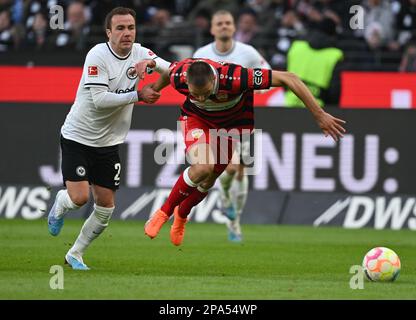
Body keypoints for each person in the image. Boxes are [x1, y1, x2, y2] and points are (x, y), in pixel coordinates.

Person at [137, 57, 346, 247]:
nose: (200, 98)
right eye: (195, 94)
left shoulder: (237, 77)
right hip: (197, 120)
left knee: (209, 179)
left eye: (205, 93)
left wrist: (319, 115)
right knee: (203, 167)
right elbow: (167, 73)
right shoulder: (180, 75)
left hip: (233, 126)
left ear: (214, 80)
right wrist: (155, 88)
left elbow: (289, 78)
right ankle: (163, 213)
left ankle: (182, 213)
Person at [47, 7, 170, 270]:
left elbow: (171, 71)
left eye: (131, 28)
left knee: (105, 207)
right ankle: (61, 202)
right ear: (108, 32)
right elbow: (100, 101)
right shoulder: (97, 55)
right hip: (78, 136)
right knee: (79, 198)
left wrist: (151, 65)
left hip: (110, 142)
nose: (127, 33)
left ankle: (75, 254)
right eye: (120, 28)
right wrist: (139, 95)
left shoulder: (140, 52)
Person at [193, 10, 271, 243]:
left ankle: (232, 217)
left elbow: (266, 78)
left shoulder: (248, 53)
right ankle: (228, 205)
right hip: (213, 120)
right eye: (220, 23)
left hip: (240, 120)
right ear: (212, 29)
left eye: (228, 23)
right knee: (230, 167)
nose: (224, 26)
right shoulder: (201, 54)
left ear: (234, 27)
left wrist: (250, 87)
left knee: (239, 171)